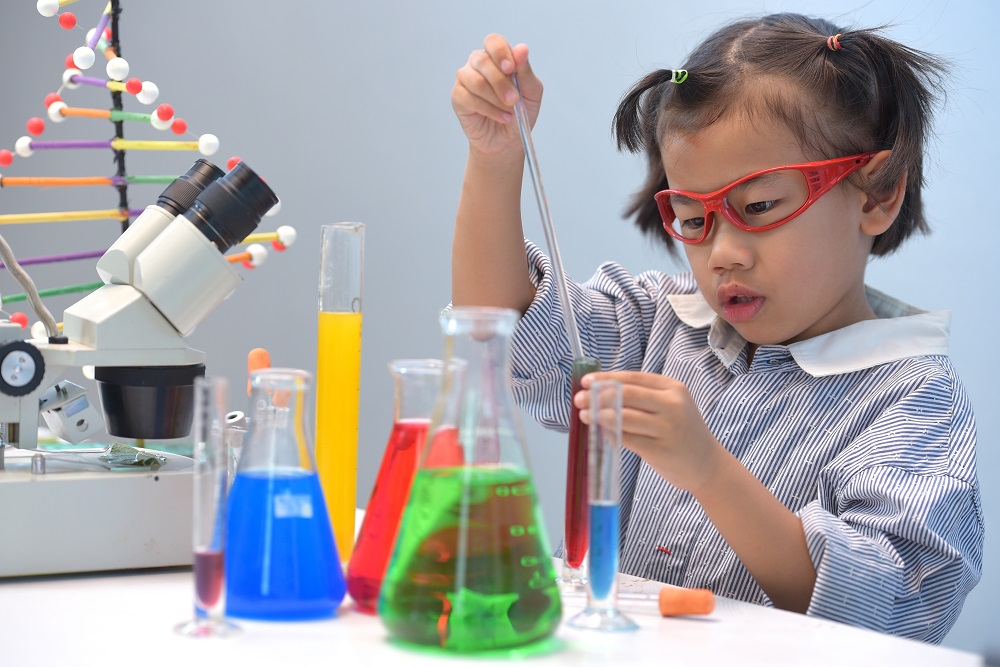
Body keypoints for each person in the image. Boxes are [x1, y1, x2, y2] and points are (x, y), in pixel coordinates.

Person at [449, 13, 983, 643]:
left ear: (875, 193)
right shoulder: (657, 325)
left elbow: (886, 608)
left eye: (756, 207)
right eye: (694, 218)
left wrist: (707, 469)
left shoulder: (914, 401)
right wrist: (495, 156)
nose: (722, 253)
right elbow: (499, 334)